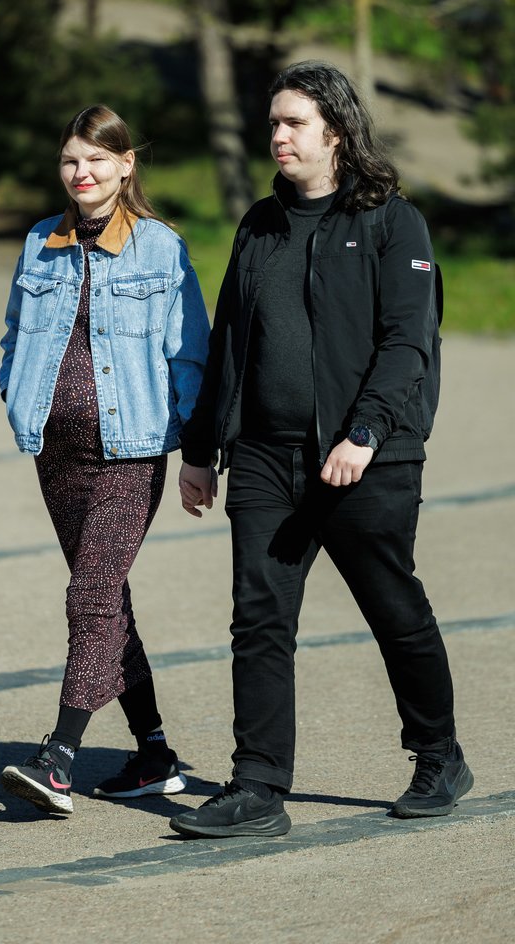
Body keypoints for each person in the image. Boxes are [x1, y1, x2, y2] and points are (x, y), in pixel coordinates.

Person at [169, 61, 473, 839]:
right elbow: (229, 340)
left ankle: (439, 756)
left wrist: (363, 432)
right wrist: (200, 448)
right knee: (258, 619)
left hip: (366, 457)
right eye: (273, 122)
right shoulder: (259, 225)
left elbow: (407, 343)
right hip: (265, 458)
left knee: (392, 608)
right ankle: (257, 786)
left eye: (294, 122)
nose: (278, 135)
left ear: (335, 131)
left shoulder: (392, 222)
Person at [0, 105, 210, 815]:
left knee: (89, 595)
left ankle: (58, 758)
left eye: (95, 159)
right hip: (56, 454)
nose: (81, 172)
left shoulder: (161, 247)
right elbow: (14, 336)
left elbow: (190, 355)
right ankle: (154, 754)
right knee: (107, 599)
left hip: (131, 451)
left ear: (126, 164)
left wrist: (196, 451)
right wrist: (15, 394)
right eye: (70, 160)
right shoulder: (40, 242)